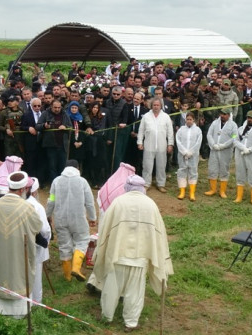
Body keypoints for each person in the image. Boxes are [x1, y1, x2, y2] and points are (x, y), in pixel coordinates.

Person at [91, 175, 173, 331]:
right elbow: (158, 233)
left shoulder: (118, 202)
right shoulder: (150, 205)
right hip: (140, 257)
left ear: (127, 186)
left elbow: (105, 228)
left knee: (111, 288)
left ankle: (107, 317)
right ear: (142, 188)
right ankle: (131, 322)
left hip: (117, 255)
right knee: (134, 292)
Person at [0, 171, 41, 319]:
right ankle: (19, 314)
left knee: (3, 272)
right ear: (23, 189)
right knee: (19, 276)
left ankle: (2, 312)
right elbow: (37, 225)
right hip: (19, 251)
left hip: (0, 250)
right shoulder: (26, 207)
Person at [46, 160, 96, 281]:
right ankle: (76, 268)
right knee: (82, 241)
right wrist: (92, 217)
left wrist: (48, 215)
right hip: (78, 218)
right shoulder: (82, 182)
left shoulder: (56, 181)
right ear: (77, 168)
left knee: (64, 245)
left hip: (60, 218)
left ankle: (67, 276)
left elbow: (51, 200)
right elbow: (89, 202)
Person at [137, 98, 174, 193]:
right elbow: (141, 130)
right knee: (147, 165)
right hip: (149, 145)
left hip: (162, 145)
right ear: (151, 106)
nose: (156, 107)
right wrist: (140, 142)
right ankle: (146, 184)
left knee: (161, 166)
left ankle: (161, 184)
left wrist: (170, 144)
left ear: (161, 106)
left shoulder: (165, 117)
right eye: (154, 105)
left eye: (158, 105)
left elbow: (170, 132)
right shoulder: (146, 116)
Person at [26, 177, 51, 302]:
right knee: (35, 275)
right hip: (36, 245)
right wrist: (46, 240)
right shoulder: (37, 206)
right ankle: (35, 302)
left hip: (21, 244)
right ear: (35, 192)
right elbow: (44, 229)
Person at [204, 107, 237, 199]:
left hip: (225, 151)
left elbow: (234, 137)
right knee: (212, 168)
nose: (222, 116)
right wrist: (213, 144)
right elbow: (209, 134)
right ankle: (213, 189)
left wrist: (223, 145)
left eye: (224, 114)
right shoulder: (215, 123)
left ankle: (222, 191)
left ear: (229, 115)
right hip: (214, 150)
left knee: (224, 169)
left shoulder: (233, 125)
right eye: (221, 114)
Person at [175, 112, 202, 201]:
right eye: (187, 119)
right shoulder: (181, 129)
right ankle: (182, 191)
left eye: (190, 119)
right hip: (182, 155)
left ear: (193, 120)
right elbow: (178, 140)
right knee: (182, 171)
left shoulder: (198, 130)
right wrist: (184, 151)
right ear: (185, 120)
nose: (189, 121)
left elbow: (198, 142)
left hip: (193, 156)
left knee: (193, 172)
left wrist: (191, 152)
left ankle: (192, 192)